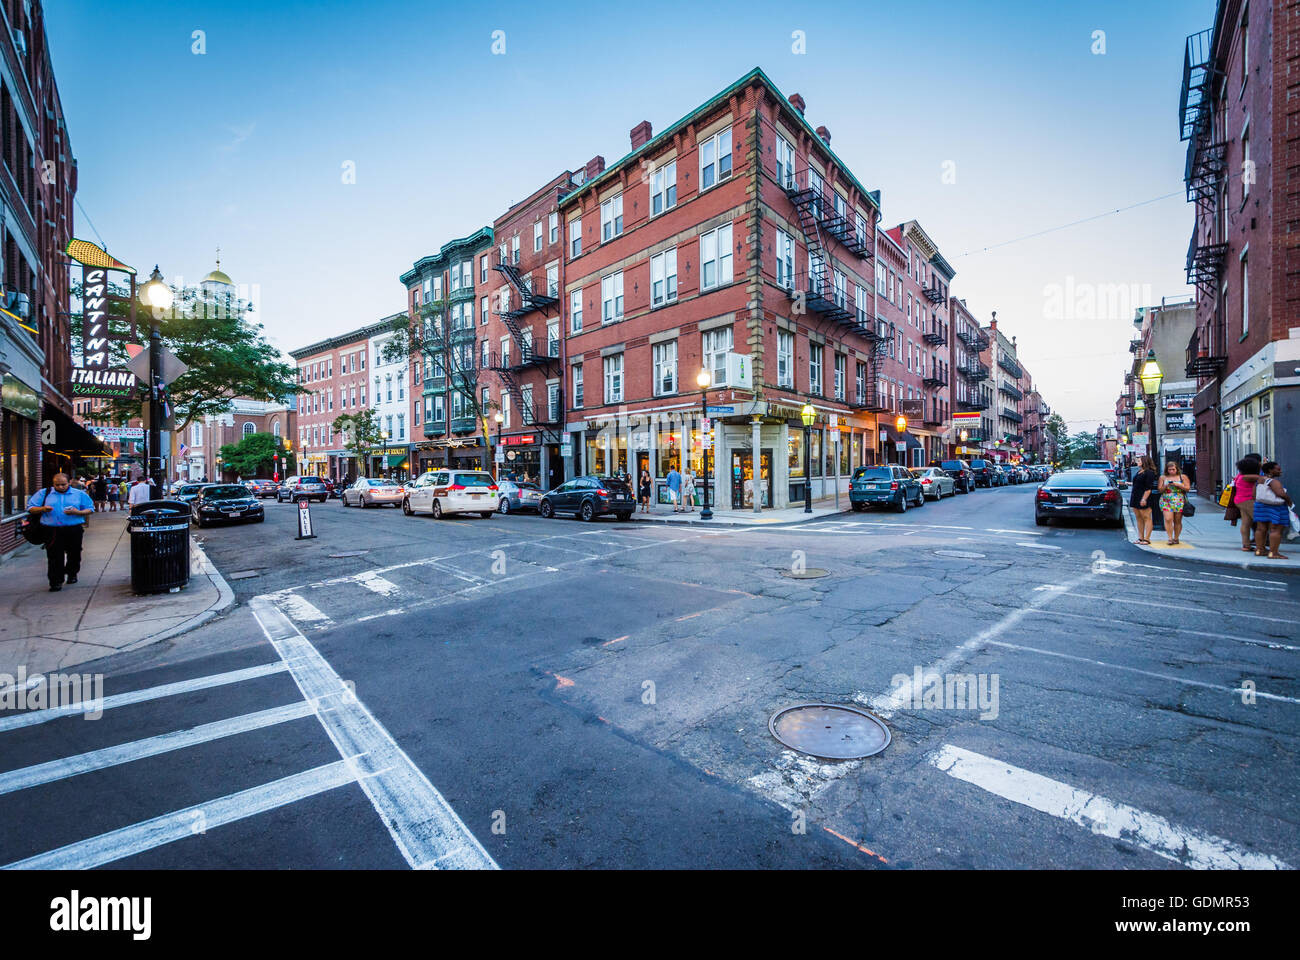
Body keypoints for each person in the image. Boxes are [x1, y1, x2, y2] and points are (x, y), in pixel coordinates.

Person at [26, 473, 95, 591]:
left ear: (69, 482)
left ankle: (72, 573)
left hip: (73, 528)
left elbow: (90, 509)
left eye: (63, 484)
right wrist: (42, 509)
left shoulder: (79, 494)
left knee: (74, 553)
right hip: (52, 529)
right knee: (54, 555)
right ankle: (55, 581)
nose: (60, 487)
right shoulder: (45, 493)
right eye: (56, 485)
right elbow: (31, 508)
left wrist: (77, 512)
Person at [1253, 461, 1292, 560]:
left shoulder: (1259, 480)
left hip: (1260, 506)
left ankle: (1259, 550)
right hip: (1275, 508)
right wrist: (1289, 501)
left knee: (1260, 529)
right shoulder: (1274, 482)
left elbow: (1254, 495)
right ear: (1270, 470)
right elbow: (1281, 494)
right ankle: (1273, 553)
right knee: (1275, 529)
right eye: (1278, 469)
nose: (1280, 471)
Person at [1230, 456, 1263, 551]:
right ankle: (1261, 547)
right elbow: (1262, 478)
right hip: (1248, 501)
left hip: (1240, 501)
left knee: (1246, 523)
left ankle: (1246, 545)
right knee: (1261, 523)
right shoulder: (1248, 477)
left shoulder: (1239, 476)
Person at [1158, 459, 1192, 545]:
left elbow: (1188, 488)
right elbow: (1160, 490)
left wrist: (1178, 484)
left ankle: (1176, 538)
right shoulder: (1163, 477)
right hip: (1166, 499)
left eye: (1173, 469)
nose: (1171, 471)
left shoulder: (1182, 477)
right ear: (1167, 470)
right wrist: (1165, 486)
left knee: (1177, 521)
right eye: (1169, 469)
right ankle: (1170, 538)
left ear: (1177, 469)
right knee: (1168, 519)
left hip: (1178, 500)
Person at [1129, 456, 1158, 545]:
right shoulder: (1139, 472)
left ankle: (1147, 538)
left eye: (1139, 460)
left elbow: (1148, 488)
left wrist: (1144, 499)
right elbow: (1138, 484)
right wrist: (1127, 483)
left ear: (1144, 461)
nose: (1137, 462)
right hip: (1135, 496)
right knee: (1138, 518)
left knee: (1146, 517)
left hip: (1144, 497)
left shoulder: (1149, 472)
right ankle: (1140, 538)